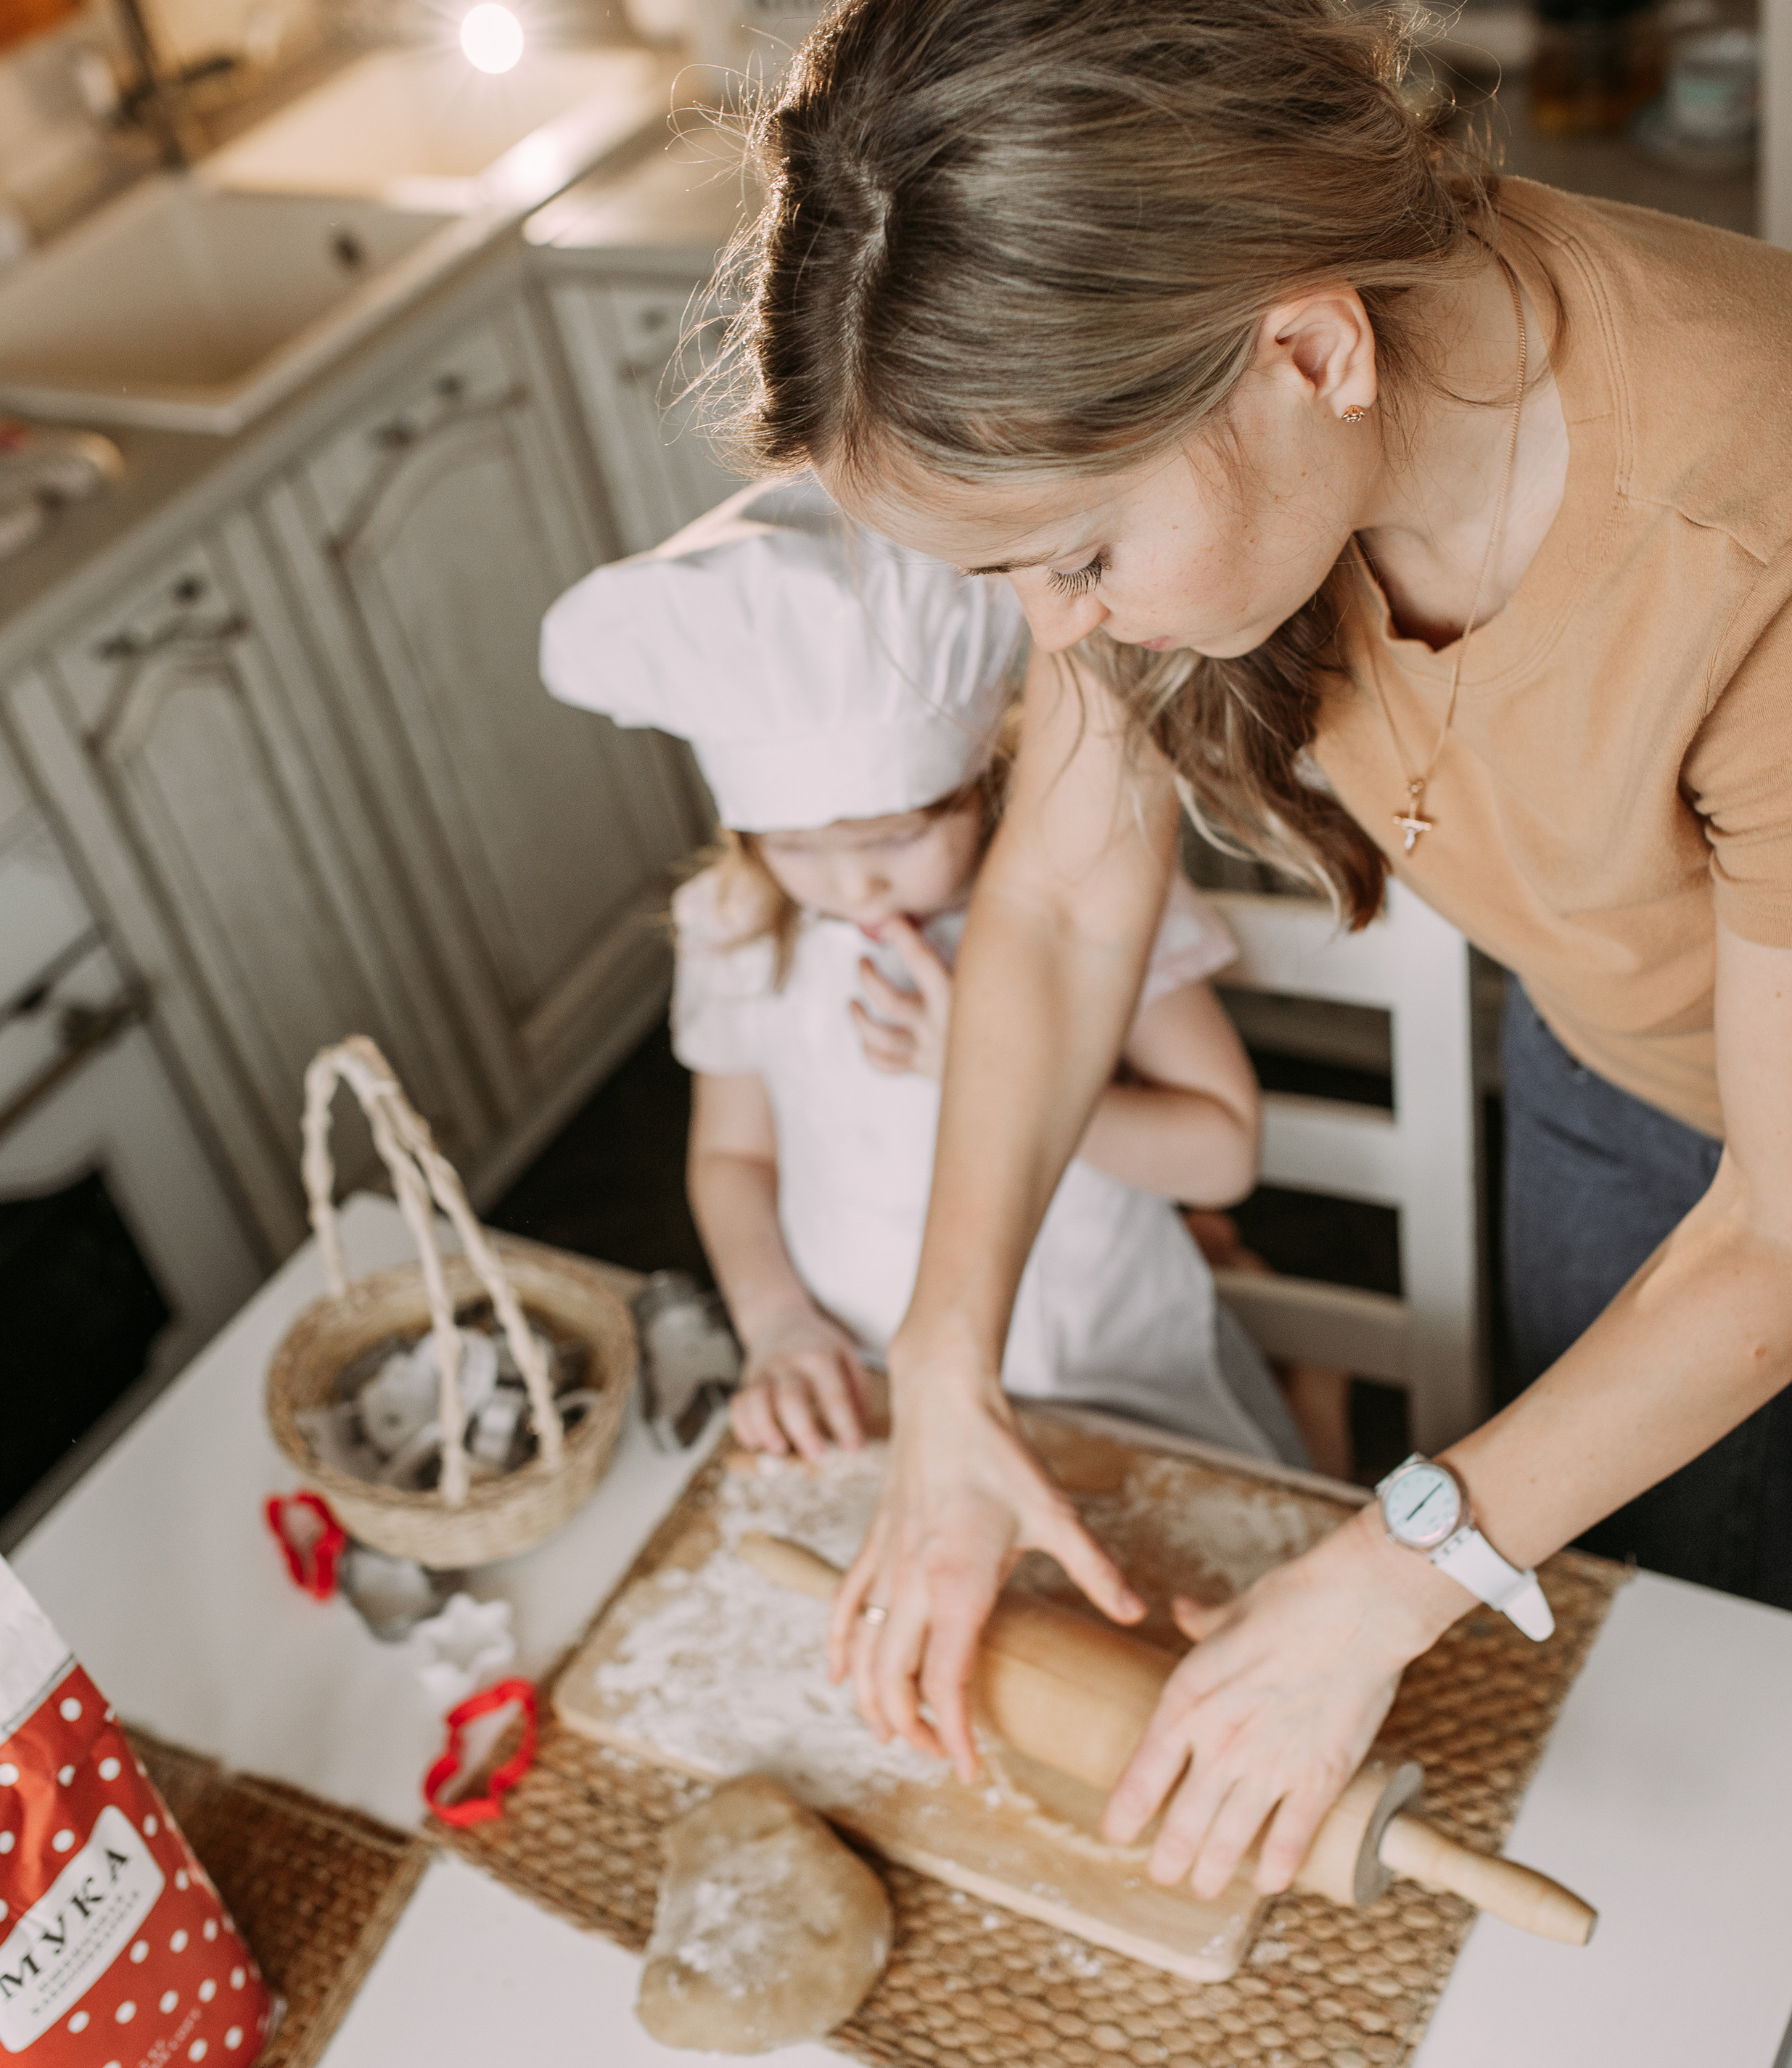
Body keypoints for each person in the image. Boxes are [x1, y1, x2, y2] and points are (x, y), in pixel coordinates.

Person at [699, 0, 1792, 1907]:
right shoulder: (1204, 412)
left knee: (1759, 1688)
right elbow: (1061, 908)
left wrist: (1385, 1574)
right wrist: (946, 1381)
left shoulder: (1780, 524)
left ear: (1308, 348)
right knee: (1630, 1614)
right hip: (1611, 1044)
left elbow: (1788, 1226)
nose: (1059, 630)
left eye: (1076, 560)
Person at [540, 474, 1307, 1469]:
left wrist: (992, 1072)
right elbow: (732, 1159)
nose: (854, 883)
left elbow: (1223, 1155)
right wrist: (778, 1321)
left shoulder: (1093, 891)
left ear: (985, 781)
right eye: (796, 847)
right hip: (870, 1373)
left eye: (898, 837)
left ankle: (1313, 1396)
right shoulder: (739, 925)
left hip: (1109, 1367)